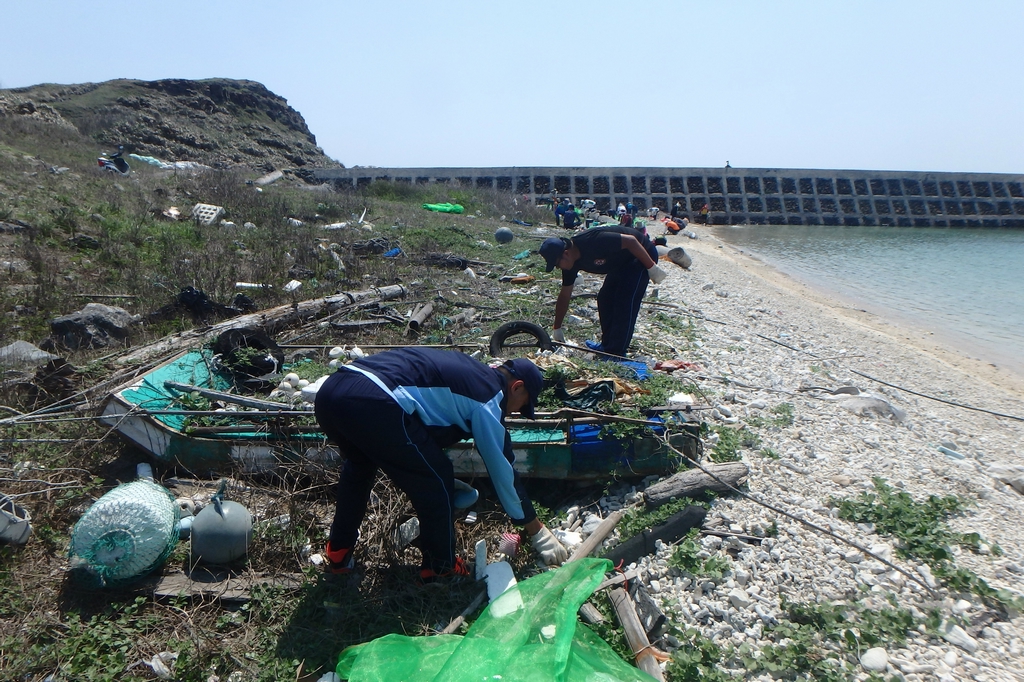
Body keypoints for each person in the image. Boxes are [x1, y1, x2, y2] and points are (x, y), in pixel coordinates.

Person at [314, 348, 568, 583]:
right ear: (517, 387)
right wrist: (537, 530)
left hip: (333, 392)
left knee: (359, 469)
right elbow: (503, 471)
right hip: (374, 400)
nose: (514, 413)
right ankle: (440, 568)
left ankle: (338, 552)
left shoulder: (472, 373)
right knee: (437, 480)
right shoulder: (489, 397)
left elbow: (426, 426)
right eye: (522, 405)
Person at [541, 226, 668, 356]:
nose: (558, 268)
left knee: (624, 300)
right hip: (620, 262)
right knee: (605, 298)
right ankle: (607, 345)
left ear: (566, 254)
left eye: (557, 264)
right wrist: (557, 327)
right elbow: (565, 294)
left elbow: (631, 241)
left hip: (641, 253)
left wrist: (652, 268)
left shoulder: (591, 241)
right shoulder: (570, 264)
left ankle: (616, 352)